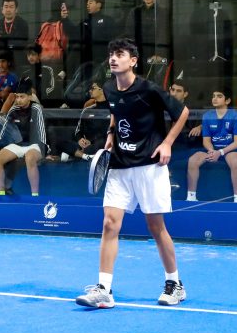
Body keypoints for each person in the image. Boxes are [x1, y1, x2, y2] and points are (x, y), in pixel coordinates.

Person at [75, 37, 190, 309]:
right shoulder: (108, 88)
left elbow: (183, 112)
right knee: (109, 223)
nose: (113, 59)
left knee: (156, 227)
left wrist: (167, 143)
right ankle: (104, 289)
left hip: (150, 166)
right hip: (120, 165)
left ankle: (175, 284)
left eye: (120, 54)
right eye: (111, 54)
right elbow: (116, 111)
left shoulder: (149, 90)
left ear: (133, 61)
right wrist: (110, 133)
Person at [0, 79, 48, 196]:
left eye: (22, 97)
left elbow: (42, 131)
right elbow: (4, 128)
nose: (19, 100)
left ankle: (35, 196)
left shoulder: (37, 109)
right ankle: (1, 194)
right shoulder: (14, 109)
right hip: (18, 144)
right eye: (17, 97)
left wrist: (46, 150)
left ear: (30, 97)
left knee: (29, 158)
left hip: (34, 145)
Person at [186, 88, 237, 203]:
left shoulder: (236, 116)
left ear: (227, 101)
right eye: (214, 96)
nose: (215, 98)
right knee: (193, 159)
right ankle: (191, 197)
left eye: (219, 96)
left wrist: (220, 152)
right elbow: (206, 141)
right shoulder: (207, 116)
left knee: (234, 160)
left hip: (232, 150)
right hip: (214, 150)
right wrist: (212, 151)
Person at [124, 0, 173, 85]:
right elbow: (129, 33)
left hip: (155, 53)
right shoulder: (135, 11)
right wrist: (132, 52)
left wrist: (159, 53)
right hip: (138, 52)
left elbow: (164, 34)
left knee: (154, 82)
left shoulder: (162, 12)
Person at [50, 82, 108, 162]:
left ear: (101, 90)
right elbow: (78, 130)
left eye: (93, 88)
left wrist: (91, 142)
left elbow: (109, 132)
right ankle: (84, 156)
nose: (90, 91)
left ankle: (75, 154)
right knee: (59, 143)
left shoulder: (111, 109)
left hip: (99, 144)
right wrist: (80, 139)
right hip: (85, 144)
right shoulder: (87, 110)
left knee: (100, 143)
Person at [2, 44, 57, 113]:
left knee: (28, 94)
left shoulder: (47, 69)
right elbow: (19, 89)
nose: (30, 57)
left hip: (42, 101)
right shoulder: (25, 73)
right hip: (26, 99)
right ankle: (2, 116)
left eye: (33, 54)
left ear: (39, 55)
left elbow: (52, 88)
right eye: (28, 55)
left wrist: (35, 92)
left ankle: (8, 117)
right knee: (12, 95)